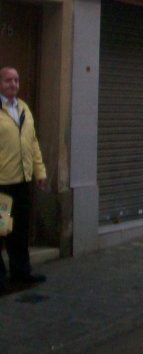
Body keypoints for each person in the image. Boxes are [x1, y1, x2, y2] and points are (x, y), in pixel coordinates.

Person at [0, 67, 47, 292]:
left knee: (19, 231)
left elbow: (33, 143)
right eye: (8, 80)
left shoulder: (23, 109)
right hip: (3, 184)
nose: (13, 84)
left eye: (16, 80)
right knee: (1, 230)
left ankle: (22, 272)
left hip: (22, 183)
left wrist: (40, 172)